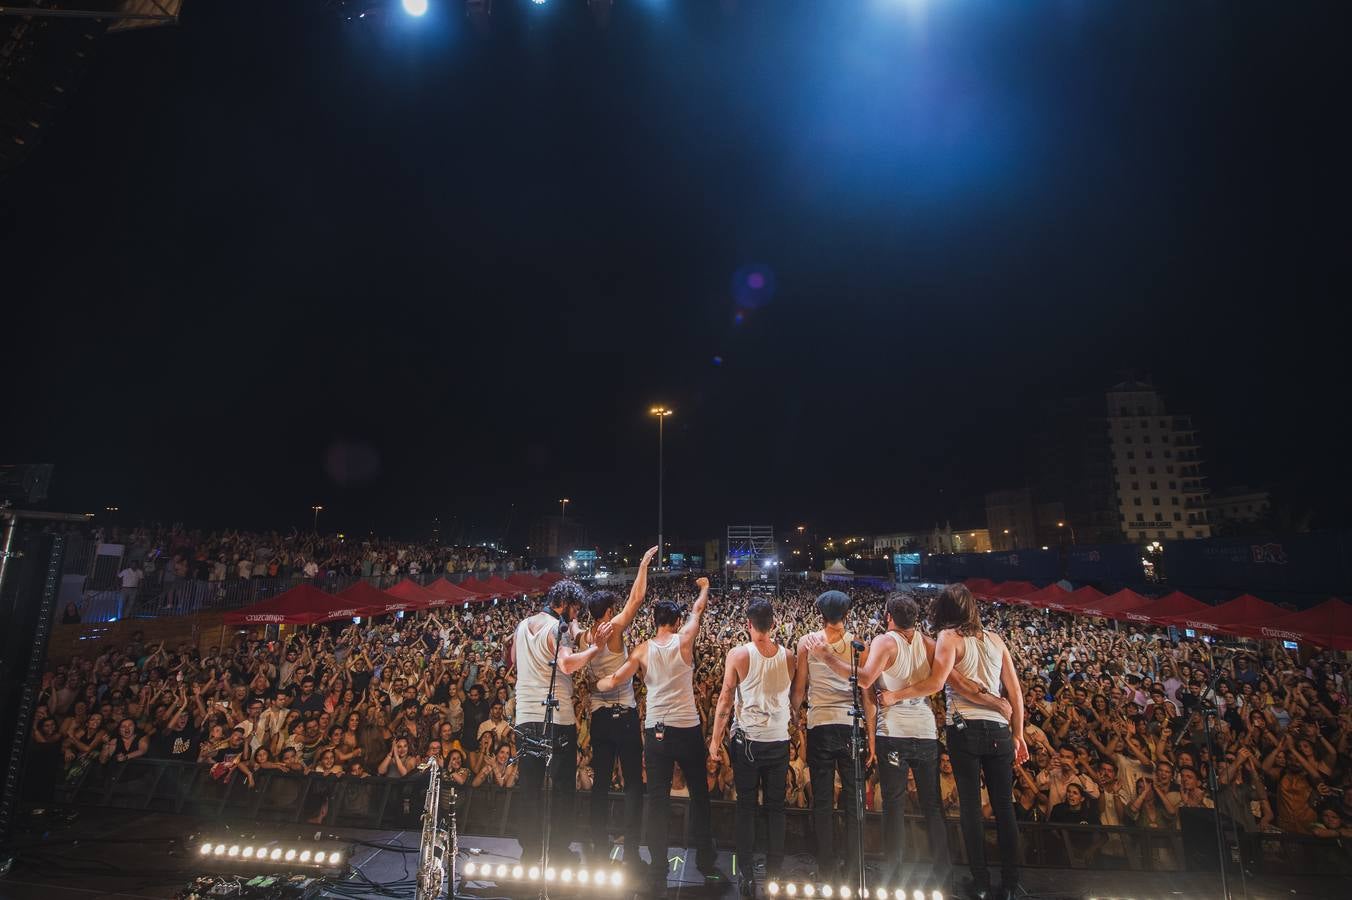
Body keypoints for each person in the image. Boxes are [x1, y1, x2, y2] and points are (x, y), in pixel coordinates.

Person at [808, 592, 1007, 891]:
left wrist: (827, 657)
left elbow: (863, 679)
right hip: (925, 731)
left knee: (894, 807)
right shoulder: (930, 643)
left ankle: (895, 876)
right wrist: (993, 700)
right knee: (933, 808)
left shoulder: (885, 642)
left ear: (888, 616)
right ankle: (944, 877)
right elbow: (950, 681)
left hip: (894, 731)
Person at [879, 584, 1028, 900]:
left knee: (971, 808)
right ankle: (1012, 883)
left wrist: (894, 695)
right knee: (1004, 806)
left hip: (966, 728)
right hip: (1001, 730)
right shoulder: (996, 641)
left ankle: (982, 883)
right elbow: (1014, 693)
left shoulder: (949, 638)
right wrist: (1018, 733)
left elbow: (936, 682)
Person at [595, 577, 723, 889]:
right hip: (687, 728)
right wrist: (704, 587)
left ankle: (657, 868)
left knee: (657, 801)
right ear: (677, 621)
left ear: (655, 623)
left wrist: (596, 684)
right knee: (700, 796)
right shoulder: (685, 639)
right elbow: (699, 608)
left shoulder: (641, 650)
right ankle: (706, 861)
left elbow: (613, 681)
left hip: (656, 731)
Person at [507, 580, 615, 868]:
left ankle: (529, 852)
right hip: (556, 719)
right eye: (576, 609)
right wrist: (596, 648)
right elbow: (568, 665)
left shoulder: (523, 625)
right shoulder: (558, 629)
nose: (576, 615)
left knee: (529, 786)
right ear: (565, 603)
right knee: (563, 788)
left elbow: (516, 662)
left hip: (525, 716)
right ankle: (558, 850)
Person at [707, 595, 797, 896]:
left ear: (748, 624)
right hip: (779, 740)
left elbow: (724, 699)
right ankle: (774, 873)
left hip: (747, 742)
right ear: (773, 624)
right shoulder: (789, 656)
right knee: (776, 809)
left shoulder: (738, 655)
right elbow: (791, 698)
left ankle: (746, 873)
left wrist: (715, 742)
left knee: (746, 808)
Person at [579, 545, 657, 868]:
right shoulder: (612, 631)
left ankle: (597, 845)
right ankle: (631, 851)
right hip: (623, 716)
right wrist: (642, 564)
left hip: (598, 718)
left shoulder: (585, 636)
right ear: (609, 611)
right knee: (632, 785)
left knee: (600, 783)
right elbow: (637, 599)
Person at [792, 590, 875, 885]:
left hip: (820, 725)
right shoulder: (859, 645)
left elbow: (800, 687)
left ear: (820, 614)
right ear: (847, 614)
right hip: (851, 727)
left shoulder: (806, 643)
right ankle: (854, 872)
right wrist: (873, 739)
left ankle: (826, 870)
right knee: (854, 803)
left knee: (823, 801)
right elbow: (868, 696)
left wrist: (794, 717)